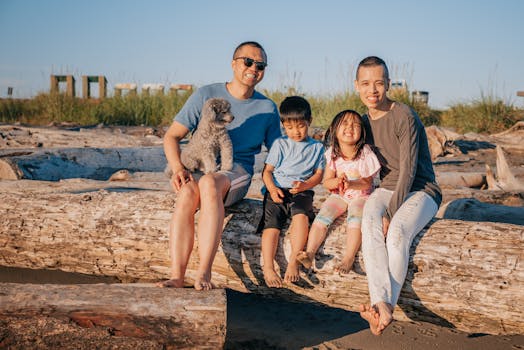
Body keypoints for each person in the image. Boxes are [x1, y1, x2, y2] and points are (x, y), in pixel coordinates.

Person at [157, 41, 282, 290]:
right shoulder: (206, 95)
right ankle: (177, 276)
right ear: (234, 64)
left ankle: (203, 273)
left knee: (209, 182)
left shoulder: (267, 108)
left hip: (235, 172)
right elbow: (172, 136)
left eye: (260, 65)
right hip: (200, 167)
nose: (253, 68)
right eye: (248, 62)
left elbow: (278, 152)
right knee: (187, 194)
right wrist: (178, 168)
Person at [354, 56, 442, 334]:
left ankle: (383, 306)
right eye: (366, 84)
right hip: (386, 187)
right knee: (369, 220)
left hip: (422, 190)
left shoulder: (404, 115)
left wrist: (391, 213)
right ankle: (382, 304)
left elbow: (409, 170)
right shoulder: (363, 122)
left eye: (379, 83)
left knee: (397, 233)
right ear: (357, 86)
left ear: (389, 84)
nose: (373, 90)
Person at [296, 109, 380, 274]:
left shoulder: (365, 153)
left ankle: (348, 257)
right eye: (345, 123)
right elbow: (327, 182)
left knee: (355, 218)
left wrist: (350, 183)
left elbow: (366, 183)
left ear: (362, 133)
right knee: (323, 216)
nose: (350, 127)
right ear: (335, 129)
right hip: (340, 195)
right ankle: (310, 253)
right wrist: (337, 182)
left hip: (361, 196)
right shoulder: (332, 153)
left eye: (356, 125)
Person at [258, 96, 325, 288]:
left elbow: (318, 176)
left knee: (301, 218)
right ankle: (268, 267)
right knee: (272, 226)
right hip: (277, 189)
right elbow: (267, 171)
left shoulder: (317, 147)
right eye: (289, 127)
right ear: (283, 126)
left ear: (309, 122)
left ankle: (294, 262)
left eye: (301, 126)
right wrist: (272, 188)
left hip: (301, 190)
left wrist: (305, 186)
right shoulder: (280, 144)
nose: (295, 132)